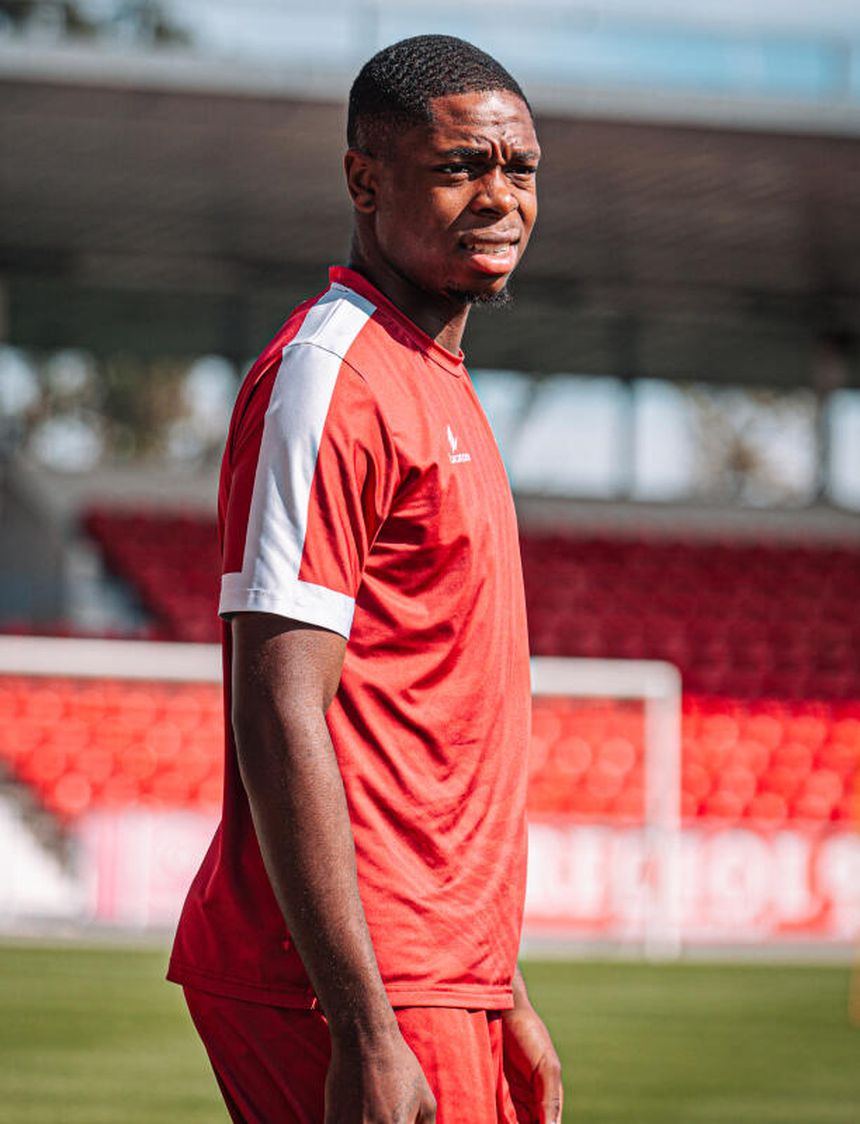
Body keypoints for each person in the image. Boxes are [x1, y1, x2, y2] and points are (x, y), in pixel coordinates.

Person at [168, 33, 563, 1124]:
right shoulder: (329, 376)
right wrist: (363, 1024)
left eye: (518, 168)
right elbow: (279, 702)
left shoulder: (430, 374)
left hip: (441, 967)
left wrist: (499, 984)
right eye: (458, 168)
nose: (499, 196)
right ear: (363, 179)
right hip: (359, 977)